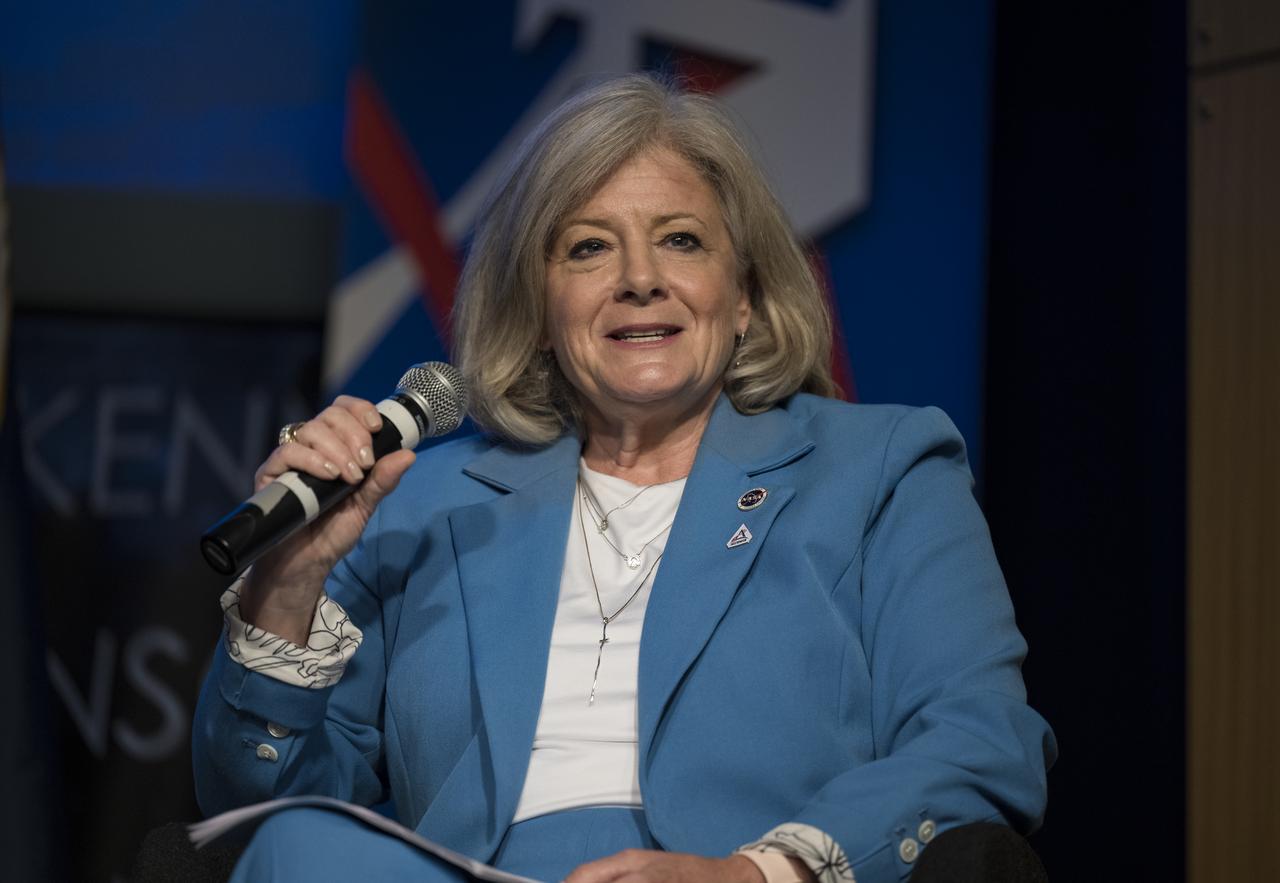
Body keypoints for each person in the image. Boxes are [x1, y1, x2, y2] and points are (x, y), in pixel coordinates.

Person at [193, 74, 1056, 883]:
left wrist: (758, 872)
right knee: (297, 842)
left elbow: (981, 739)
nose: (641, 279)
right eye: (589, 248)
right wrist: (288, 584)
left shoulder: (880, 469)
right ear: (537, 309)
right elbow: (263, 805)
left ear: (746, 294)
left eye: (681, 240)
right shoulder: (419, 496)